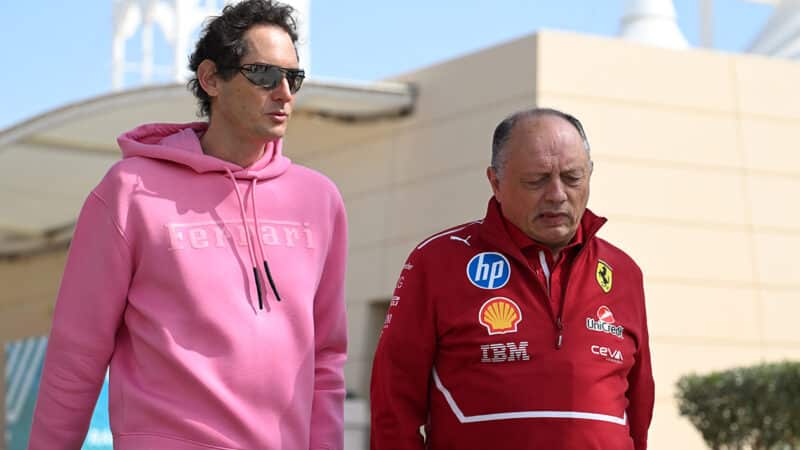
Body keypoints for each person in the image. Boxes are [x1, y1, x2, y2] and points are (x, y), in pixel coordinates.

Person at [28, 1, 347, 449]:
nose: (283, 92)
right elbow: (77, 354)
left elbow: (326, 359)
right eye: (262, 74)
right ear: (211, 78)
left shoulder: (319, 200)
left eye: (293, 78)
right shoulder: (130, 191)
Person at [370, 108, 654, 450]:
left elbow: (639, 410)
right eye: (536, 180)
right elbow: (394, 403)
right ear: (495, 182)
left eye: (573, 177)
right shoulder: (436, 261)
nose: (557, 194)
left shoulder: (623, 272)